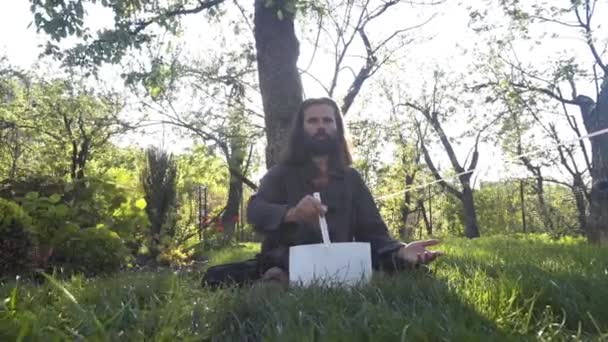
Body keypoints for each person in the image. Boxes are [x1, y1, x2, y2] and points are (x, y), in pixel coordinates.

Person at [247, 97, 443, 284]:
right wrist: (292, 214)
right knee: (273, 282)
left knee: (405, 274)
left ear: (337, 127)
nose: (321, 126)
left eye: (327, 120)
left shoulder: (351, 179)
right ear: (301, 129)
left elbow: (374, 232)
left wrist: (401, 251)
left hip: (342, 265)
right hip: (287, 263)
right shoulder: (280, 174)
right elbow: (255, 211)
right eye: (313, 121)